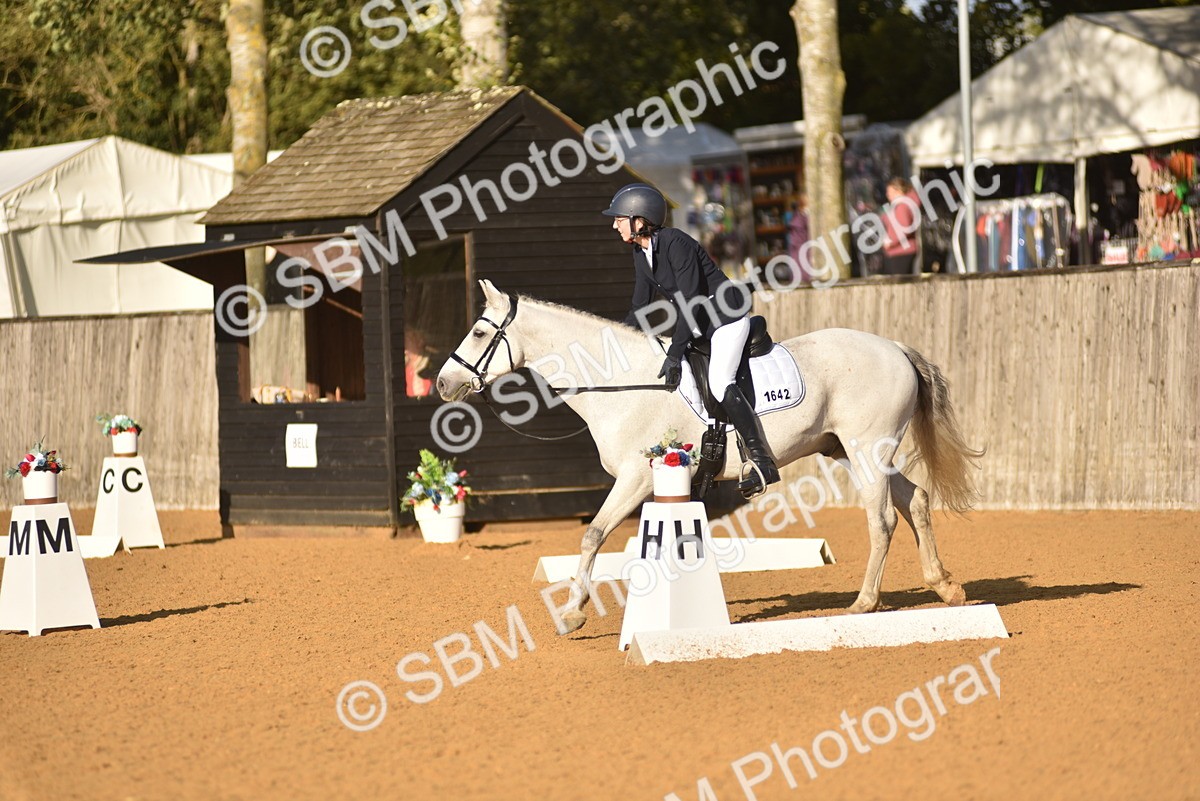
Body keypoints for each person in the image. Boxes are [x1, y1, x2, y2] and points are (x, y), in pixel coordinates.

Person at [602, 183, 780, 496]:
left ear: (639, 220)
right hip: (700, 327)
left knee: (720, 380)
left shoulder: (676, 243)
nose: (614, 224)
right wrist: (617, 342)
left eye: (619, 218)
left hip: (725, 320)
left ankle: (762, 459)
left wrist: (674, 352)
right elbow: (640, 306)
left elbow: (690, 302)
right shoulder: (641, 252)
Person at [881, 177, 921, 275]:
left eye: (889, 191)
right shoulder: (903, 204)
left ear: (897, 191)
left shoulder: (902, 206)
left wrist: (890, 242)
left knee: (899, 283)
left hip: (901, 252)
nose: (887, 195)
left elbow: (905, 228)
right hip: (903, 251)